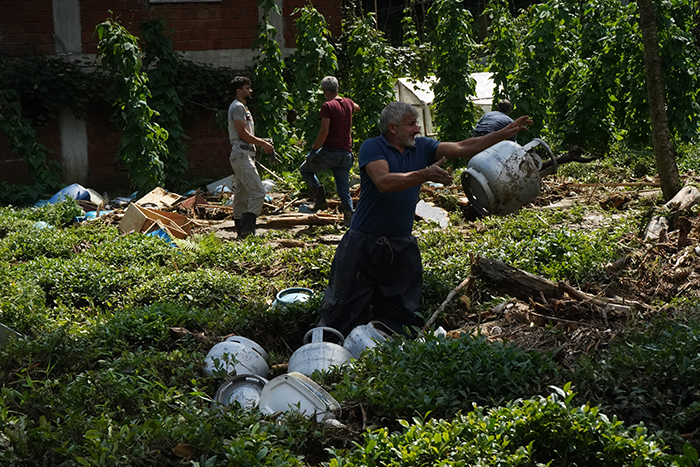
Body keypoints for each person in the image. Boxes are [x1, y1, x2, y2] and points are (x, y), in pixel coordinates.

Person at [316, 101, 532, 336]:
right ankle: (328, 351)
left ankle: (393, 354)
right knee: (343, 307)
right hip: (362, 242)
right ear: (392, 128)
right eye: (411, 125)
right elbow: (384, 182)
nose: (417, 130)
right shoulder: (373, 147)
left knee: (400, 313)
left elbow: (462, 147)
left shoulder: (422, 147)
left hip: (400, 244)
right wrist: (425, 174)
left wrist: (503, 134)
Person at [299, 76, 360, 227]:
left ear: (324, 91)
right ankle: (349, 219)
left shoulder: (327, 106)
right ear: (338, 88)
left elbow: (324, 131)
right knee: (343, 188)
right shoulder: (348, 103)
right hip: (346, 154)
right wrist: (346, 104)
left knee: (305, 170)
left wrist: (313, 151)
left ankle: (320, 201)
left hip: (330, 152)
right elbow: (357, 107)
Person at [228, 76, 274, 238]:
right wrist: (263, 144)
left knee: (241, 195)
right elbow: (242, 134)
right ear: (238, 91)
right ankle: (248, 230)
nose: (251, 91)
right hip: (241, 154)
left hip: (244, 154)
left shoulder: (242, 108)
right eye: (247, 88)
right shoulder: (238, 107)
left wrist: (261, 142)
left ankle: (241, 231)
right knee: (258, 192)